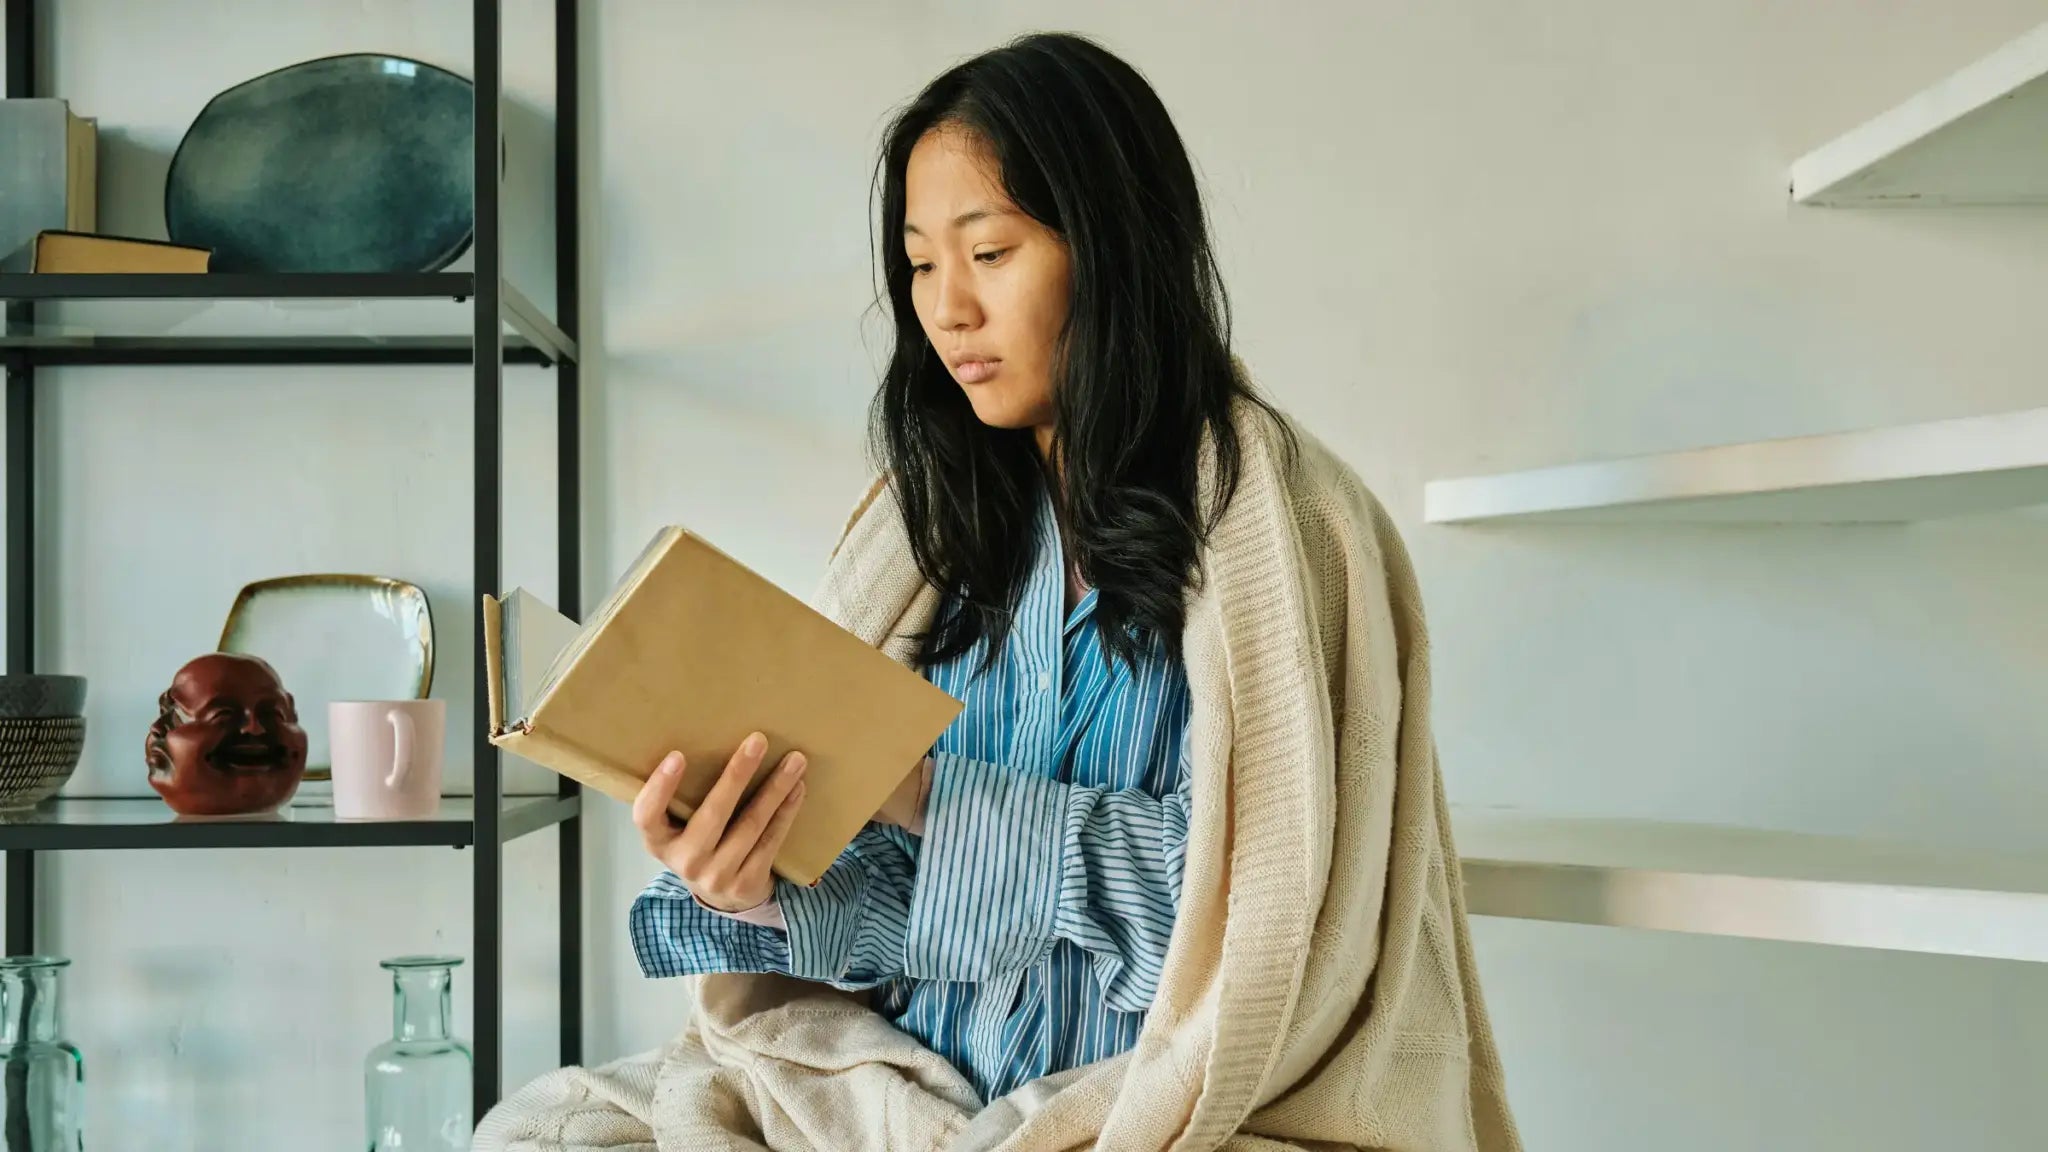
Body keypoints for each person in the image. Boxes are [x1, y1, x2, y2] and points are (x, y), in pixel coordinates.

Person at [477, 30, 1520, 1152]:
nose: (946, 309)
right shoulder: (929, 536)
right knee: (537, 1134)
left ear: (1109, 246)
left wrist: (927, 790)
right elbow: (900, 920)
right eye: (920, 265)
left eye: (989, 252)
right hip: (906, 1104)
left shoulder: (1283, 527)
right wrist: (753, 886)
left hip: (1165, 1113)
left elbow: (1269, 927)